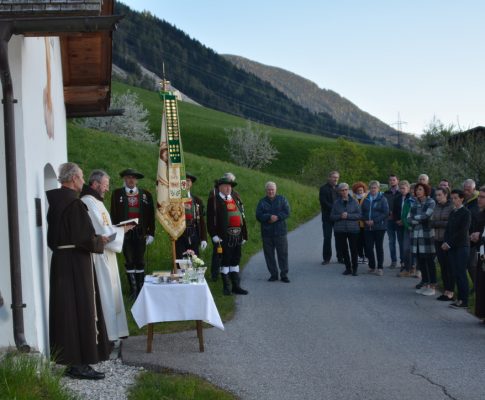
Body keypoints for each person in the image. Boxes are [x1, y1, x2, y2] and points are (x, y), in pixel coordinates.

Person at [46, 162, 110, 380]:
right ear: (73, 179)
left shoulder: (55, 203)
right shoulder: (74, 205)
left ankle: (70, 359)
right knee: (81, 309)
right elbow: (84, 238)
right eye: (81, 177)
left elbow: (54, 239)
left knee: (66, 312)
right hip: (76, 263)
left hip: (60, 261)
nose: (83, 182)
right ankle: (80, 363)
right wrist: (99, 241)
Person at [81, 170, 134, 347]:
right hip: (100, 255)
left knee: (112, 295)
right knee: (106, 294)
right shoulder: (88, 202)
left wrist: (118, 229)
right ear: (95, 184)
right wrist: (122, 231)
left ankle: (115, 333)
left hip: (107, 254)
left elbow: (106, 227)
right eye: (104, 184)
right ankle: (108, 336)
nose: (107, 188)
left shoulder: (97, 202)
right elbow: (101, 232)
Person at [110, 168, 155, 299]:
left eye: (133, 178)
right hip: (125, 232)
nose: (131, 180)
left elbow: (151, 216)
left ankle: (141, 289)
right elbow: (113, 214)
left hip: (141, 233)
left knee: (140, 260)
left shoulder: (146, 194)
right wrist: (115, 231)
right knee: (129, 260)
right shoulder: (117, 194)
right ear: (124, 179)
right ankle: (133, 290)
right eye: (128, 177)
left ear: (137, 180)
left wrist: (151, 233)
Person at [207, 174, 248, 295]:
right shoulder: (214, 201)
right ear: (219, 187)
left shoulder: (235, 199)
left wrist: (244, 234)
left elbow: (242, 217)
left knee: (235, 261)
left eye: (229, 186)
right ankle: (226, 287)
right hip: (224, 237)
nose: (228, 189)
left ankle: (236, 285)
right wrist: (214, 235)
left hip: (237, 236)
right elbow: (210, 220)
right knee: (225, 261)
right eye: (225, 186)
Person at [256, 181, 291, 282]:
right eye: (269, 189)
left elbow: (287, 211)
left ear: (276, 190)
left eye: (272, 189)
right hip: (267, 233)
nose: (271, 191)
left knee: (283, 254)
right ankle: (273, 275)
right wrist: (268, 217)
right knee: (269, 255)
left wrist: (278, 217)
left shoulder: (282, 199)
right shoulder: (262, 202)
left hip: (280, 232)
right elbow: (258, 215)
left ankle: (284, 274)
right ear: (266, 191)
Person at [442, 189, 471, 309]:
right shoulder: (453, 212)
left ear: (461, 198)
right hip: (451, 247)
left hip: (461, 246)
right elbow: (448, 229)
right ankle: (459, 299)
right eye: (452, 198)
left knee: (461, 273)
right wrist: (445, 241)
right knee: (455, 272)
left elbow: (462, 232)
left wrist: (449, 243)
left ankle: (464, 300)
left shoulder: (466, 213)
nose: (453, 200)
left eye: (455, 198)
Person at [208, 172, 238, 281]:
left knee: (229, 254)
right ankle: (215, 274)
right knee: (217, 253)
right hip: (218, 230)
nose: (229, 186)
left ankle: (229, 273)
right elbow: (212, 216)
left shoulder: (235, 195)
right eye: (227, 182)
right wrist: (213, 234)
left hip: (231, 232)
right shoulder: (214, 194)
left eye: (231, 183)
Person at [409, 183, 436, 296]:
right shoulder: (415, 203)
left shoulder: (431, 202)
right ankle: (425, 284)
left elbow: (427, 216)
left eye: (420, 189)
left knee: (429, 261)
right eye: (416, 190)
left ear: (425, 190)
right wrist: (417, 219)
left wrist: (416, 219)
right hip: (416, 236)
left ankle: (432, 285)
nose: (418, 191)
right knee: (421, 261)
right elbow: (409, 219)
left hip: (427, 236)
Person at [331, 183, 361, 276]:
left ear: (348, 190)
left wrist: (348, 215)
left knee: (354, 249)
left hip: (353, 229)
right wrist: (340, 216)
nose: (344, 192)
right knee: (344, 250)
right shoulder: (336, 203)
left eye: (345, 190)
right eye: (342, 190)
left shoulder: (354, 201)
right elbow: (332, 216)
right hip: (340, 230)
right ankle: (348, 268)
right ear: (339, 192)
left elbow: (359, 215)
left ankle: (355, 268)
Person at [429, 187, 454, 301]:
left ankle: (451, 291)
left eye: (439, 195)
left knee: (449, 266)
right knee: (443, 266)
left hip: (447, 240)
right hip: (437, 239)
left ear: (445, 195)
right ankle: (446, 290)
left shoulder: (451, 207)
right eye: (436, 195)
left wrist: (437, 223)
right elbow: (431, 222)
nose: (437, 197)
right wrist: (437, 223)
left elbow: (451, 223)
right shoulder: (436, 206)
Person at [175, 173, 207, 259]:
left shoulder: (197, 200)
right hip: (179, 234)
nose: (186, 182)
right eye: (184, 180)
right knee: (180, 260)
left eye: (188, 181)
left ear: (191, 183)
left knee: (194, 259)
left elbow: (202, 221)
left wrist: (204, 238)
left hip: (194, 233)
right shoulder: (174, 200)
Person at [361, 180, 389, 276]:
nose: (373, 189)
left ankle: (380, 267)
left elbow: (385, 213)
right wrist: (365, 220)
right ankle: (372, 266)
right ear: (369, 189)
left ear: (378, 189)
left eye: (375, 188)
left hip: (379, 227)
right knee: (368, 247)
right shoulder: (366, 199)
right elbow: (362, 212)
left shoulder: (382, 199)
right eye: (372, 188)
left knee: (378, 247)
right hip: (367, 227)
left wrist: (374, 221)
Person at [319, 171, 341, 264]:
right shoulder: (323, 189)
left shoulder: (340, 188)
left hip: (338, 218)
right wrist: (335, 209)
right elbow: (323, 202)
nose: (335, 179)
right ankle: (326, 258)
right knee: (327, 238)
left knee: (339, 237)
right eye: (333, 177)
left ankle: (341, 257)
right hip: (327, 217)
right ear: (329, 178)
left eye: (337, 177)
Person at [394, 180, 414, 277]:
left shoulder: (411, 198)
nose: (402, 190)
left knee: (410, 247)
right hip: (400, 224)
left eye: (404, 188)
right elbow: (395, 210)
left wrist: (404, 221)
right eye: (400, 188)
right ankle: (404, 263)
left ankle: (412, 266)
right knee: (403, 245)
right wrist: (398, 220)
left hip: (409, 224)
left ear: (408, 189)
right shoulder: (397, 198)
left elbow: (409, 213)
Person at [463, 178, 481, 286]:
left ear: (474, 189)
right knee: (469, 264)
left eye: (468, 189)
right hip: (467, 237)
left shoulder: (478, 201)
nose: (466, 192)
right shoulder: (467, 201)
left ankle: (477, 286)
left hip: (476, 238)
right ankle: (475, 286)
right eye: (465, 189)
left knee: (471, 264)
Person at [384, 174, 400, 269]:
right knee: (391, 241)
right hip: (389, 220)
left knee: (401, 242)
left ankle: (403, 262)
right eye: (390, 180)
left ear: (397, 180)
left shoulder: (401, 192)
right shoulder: (386, 193)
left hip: (399, 220)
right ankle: (393, 261)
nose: (392, 181)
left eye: (394, 180)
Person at [351, 181, 368, 264]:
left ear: (364, 190)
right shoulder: (353, 198)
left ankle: (367, 256)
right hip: (355, 223)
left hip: (365, 223)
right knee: (358, 241)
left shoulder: (367, 197)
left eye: (361, 190)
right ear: (355, 190)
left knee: (366, 240)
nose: (360, 191)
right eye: (358, 190)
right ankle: (360, 256)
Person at [475, 186, 485, 320]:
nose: (479, 199)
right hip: (481, 253)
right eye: (479, 196)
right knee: (482, 284)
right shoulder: (480, 213)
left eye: (482, 197)